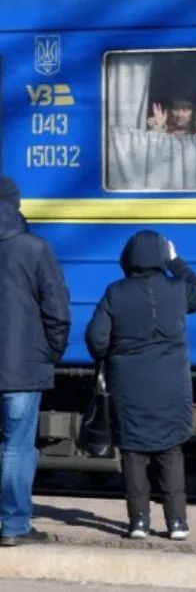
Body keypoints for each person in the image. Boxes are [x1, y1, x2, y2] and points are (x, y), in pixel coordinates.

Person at [85, 231, 196, 541]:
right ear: (160, 258)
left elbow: (96, 337)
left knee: (134, 452)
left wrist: (112, 357)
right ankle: (177, 522)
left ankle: (138, 521)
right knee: (170, 450)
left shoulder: (115, 292)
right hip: (172, 384)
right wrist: (176, 260)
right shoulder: (177, 290)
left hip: (129, 384)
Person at [0, 176, 70, 546]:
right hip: (23, 368)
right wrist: (50, 354)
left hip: (23, 366)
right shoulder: (34, 248)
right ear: (15, 204)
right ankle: (13, 526)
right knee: (16, 446)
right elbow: (57, 310)